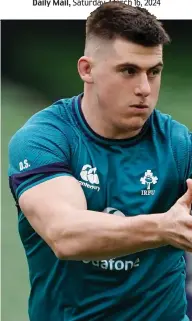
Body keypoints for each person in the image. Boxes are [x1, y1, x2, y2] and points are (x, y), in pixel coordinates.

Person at [8, 2, 192, 321]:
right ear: (87, 69)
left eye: (154, 72)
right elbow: (66, 234)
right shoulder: (45, 139)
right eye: (128, 71)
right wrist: (164, 227)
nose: (144, 89)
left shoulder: (178, 143)